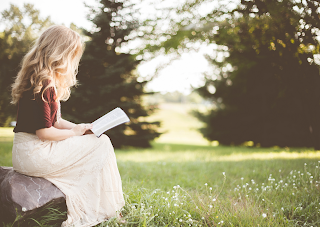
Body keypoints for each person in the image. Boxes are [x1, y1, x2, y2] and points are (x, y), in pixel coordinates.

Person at [10, 25, 125, 227]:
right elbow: (45, 132)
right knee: (103, 144)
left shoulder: (38, 78)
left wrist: (81, 128)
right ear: (61, 53)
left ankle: (106, 207)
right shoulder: (45, 83)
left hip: (25, 152)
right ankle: (109, 209)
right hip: (35, 152)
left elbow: (55, 122)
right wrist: (73, 133)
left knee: (96, 140)